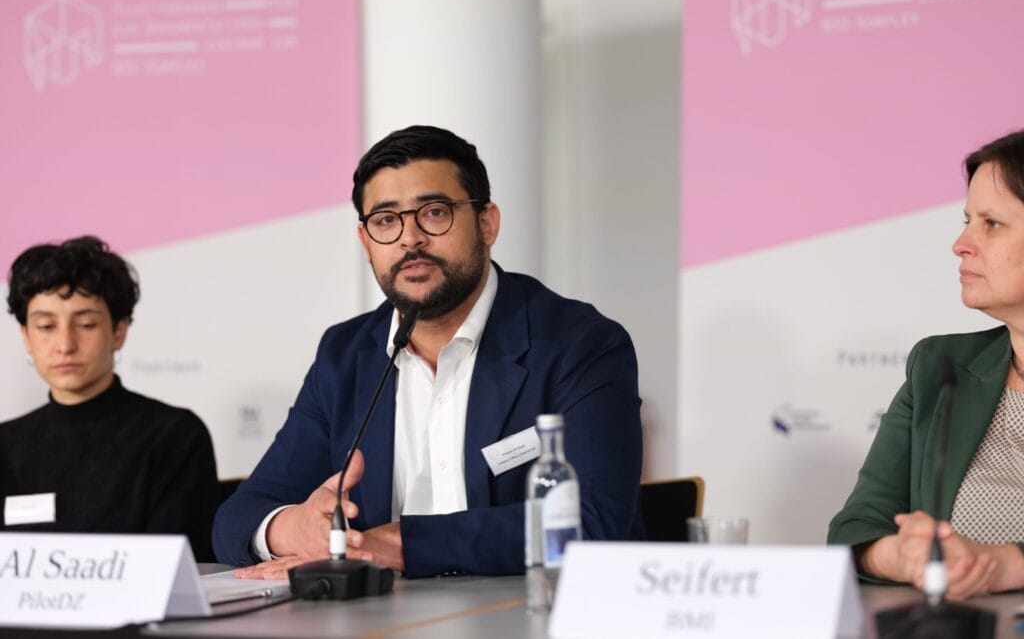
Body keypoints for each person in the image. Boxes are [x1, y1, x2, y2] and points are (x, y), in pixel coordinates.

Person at [214, 125, 643, 578]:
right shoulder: (345, 355)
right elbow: (236, 518)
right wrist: (292, 529)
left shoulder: (579, 343)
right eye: (385, 220)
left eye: (434, 213)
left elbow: (591, 520)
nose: (410, 238)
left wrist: (400, 545)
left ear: (487, 222)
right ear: (366, 243)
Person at [828, 128, 1024, 600]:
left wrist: (1004, 566)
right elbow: (855, 529)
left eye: (991, 224)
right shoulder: (939, 366)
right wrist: (896, 555)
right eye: (966, 221)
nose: (961, 243)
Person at [0, 236, 220, 561]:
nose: (65, 344)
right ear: (26, 337)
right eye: (46, 325)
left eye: (86, 324)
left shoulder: (174, 436)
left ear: (119, 331)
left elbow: (175, 570)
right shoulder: (5, 444)